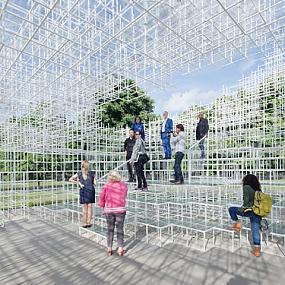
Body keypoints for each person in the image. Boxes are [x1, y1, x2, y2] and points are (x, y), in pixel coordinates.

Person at [228, 174, 262, 257]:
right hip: (258, 212)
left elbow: (246, 202)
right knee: (255, 231)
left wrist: (241, 209)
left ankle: (238, 223)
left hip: (249, 211)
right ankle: (257, 251)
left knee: (231, 209)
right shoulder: (258, 188)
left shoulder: (246, 187)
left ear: (246, 180)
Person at [98, 171, 128, 256]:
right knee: (120, 229)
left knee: (110, 229)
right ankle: (120, 249)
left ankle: (109, 249)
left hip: (109, 210)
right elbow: (124, 195)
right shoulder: (123, 185)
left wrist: (102, 206)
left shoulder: (106, 186)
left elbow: (101, 197)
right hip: (120, 210)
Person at [69, 160, 96, 228]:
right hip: (90, 190)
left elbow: (70, 179)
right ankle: (88, 222)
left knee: (84, 208)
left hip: (83, 190)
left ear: (82, 166)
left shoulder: (79, 173)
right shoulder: (92, 173)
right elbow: (95, 183)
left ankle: (84, 223)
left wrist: (78, 183)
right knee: (90, 207)